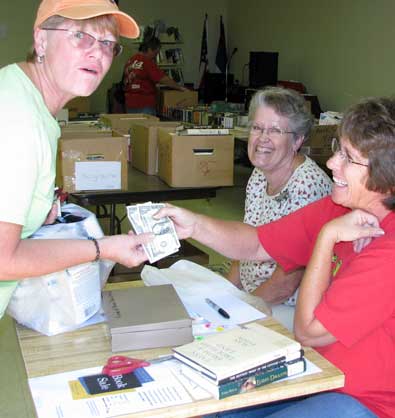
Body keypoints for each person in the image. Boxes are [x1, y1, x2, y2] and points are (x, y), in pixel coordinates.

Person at [156, 96, 395, 417]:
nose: (331, 163)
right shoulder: (342, 205)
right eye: (339, 150)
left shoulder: (387, 248)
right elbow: (257, 244)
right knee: (206, 408)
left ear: (386, 177)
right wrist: (192, 224)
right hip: (316, 370)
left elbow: (308, 329)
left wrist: (327, 238)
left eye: (348, 158)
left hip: (362, 400)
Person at [0, 0, 153, 317]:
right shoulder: (19, 121)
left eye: (108, 44)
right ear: (41, 39)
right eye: (80, 36)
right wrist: (103, 249)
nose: (97, 53)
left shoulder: (21, 93)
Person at [226, 87, 332, 330]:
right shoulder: (259, 174)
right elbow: (242, 244)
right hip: (256, 296)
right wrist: (224, 295)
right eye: (257, 128)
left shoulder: (307, 186)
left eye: (275, 130)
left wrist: (237, 312)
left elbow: (287, 281)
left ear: (297, 140)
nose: (262, 138)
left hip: (290, 307)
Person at [123, 36, 187, 115]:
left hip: (130, 103)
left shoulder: (131, 60)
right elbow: (163, 79)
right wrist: (180, 88)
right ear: (149, 49)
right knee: (148, 127)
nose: (155, 56)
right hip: (145, 104)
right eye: (155, 53)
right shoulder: (147, 61)